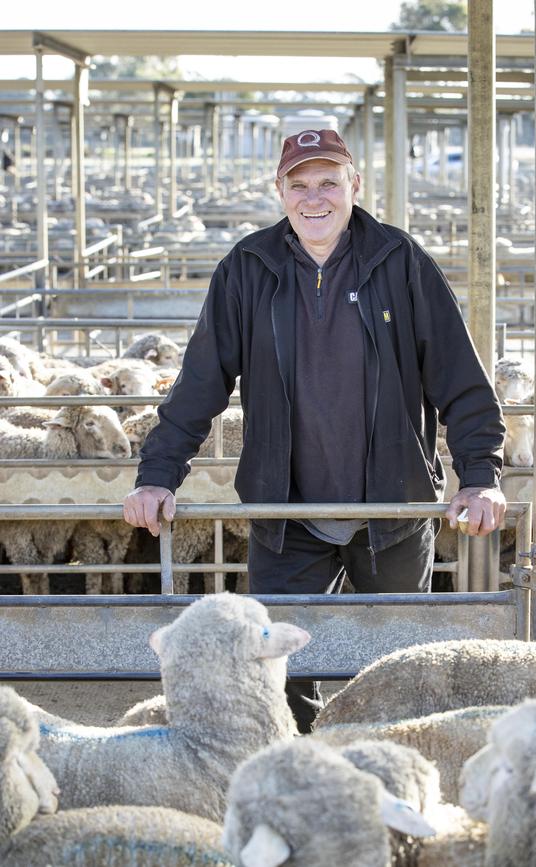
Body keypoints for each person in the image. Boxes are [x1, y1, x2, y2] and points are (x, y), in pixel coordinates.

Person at [123, 128, 506, 732]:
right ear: (279, 192)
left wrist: (480, 475)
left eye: (328, 181)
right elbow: (201, 382)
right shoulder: (249, 268)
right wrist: (157, 475)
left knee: (397, 664)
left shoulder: (400, 262)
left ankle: (388, 778)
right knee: (282, 671)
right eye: (298, 184)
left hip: (393, 506)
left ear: (355, 184)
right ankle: (297, 780)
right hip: (288, 511)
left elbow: (458, 376)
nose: (314, 197)